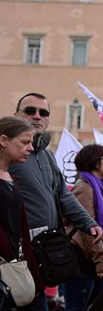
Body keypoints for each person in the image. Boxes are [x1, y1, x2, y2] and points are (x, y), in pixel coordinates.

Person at [11, 93, 102, 311]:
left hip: (45, 250)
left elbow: (64, 196)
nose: (37, 116)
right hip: (18, 254)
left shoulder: (48, 156)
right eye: (30, 111)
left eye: (43, 113)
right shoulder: (8, 152)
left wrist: (88, 223)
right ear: (17, 115)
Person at [63, 144, 103, 311]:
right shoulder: (85, 187)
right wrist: (101, 262)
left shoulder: (99, 186)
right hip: (84, 262)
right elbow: (87, 230)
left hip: (93, 261)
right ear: (95, 163)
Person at [0, 117, 43, 310]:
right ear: (3, 140)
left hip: (16, 270)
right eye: (25, 142)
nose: (31, 148)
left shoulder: (10, 177)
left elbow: (21, 231)